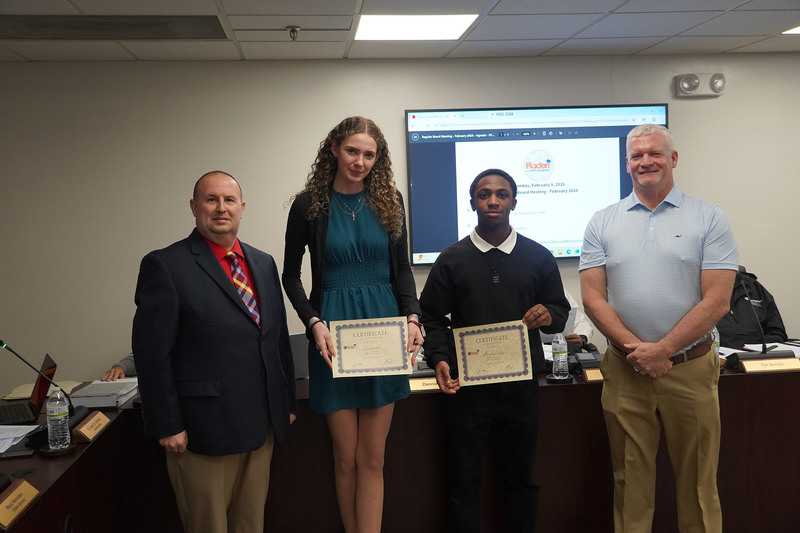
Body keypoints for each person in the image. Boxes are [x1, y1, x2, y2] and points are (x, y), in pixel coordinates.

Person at [579, 124, 738, 532]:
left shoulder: (709, 216)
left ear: (673, 158)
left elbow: (717, 300)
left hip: (691, 369)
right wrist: (640, 350)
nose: (645, 161)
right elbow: (594, 298)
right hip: (626, 370)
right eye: (636, 155)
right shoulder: (602, 221)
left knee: (698, 485)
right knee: (629, 482)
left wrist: (663, 349)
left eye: (654, 153)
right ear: (627, 163)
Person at [133, 171, 297, 533]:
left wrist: (285, 405)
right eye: (211, 200)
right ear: (194, 207)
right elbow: (151, 355)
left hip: (260, 426)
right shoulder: (166, 265)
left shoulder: (263, 263)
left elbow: (277, 339)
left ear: (241, 208)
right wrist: (167, 423)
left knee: (251, 524)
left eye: (228, 201)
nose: (221, 208)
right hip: (201, 433)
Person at [282, 116, 423, 533]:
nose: (359, 161)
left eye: (369, 154)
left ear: (377, 158)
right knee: (345, 458)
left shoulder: (389, 199)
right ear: (334, 150)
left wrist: (412, 316)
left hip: (384, 330)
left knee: (373, 458)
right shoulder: (309, 205)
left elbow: (402, 270)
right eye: (352, 151)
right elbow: (291, 276)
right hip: (333, 335)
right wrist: (312, 323)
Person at [420, 168, 570, 532]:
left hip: (521, 389)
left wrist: (548, 313)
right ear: (472, 202)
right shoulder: (452, 258)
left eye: (501, 194)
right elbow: (432, 317)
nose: (493, 200)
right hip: (467, 390)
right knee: (463, 482)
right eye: (484, 194)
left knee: (521, 479)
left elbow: (560, 312)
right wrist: (439, 357)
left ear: (513, 203)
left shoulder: (538, 256)